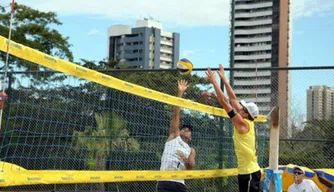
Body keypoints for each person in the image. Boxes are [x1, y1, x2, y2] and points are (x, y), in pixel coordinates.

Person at [206, 64, 261, 192]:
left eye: (242, 108)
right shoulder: (248, 121)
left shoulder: (243, 124)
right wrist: (224, 79)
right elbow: (233, 98)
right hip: (249, 171)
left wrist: (214, 82)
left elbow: (225, 102)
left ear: (246, 114)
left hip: (249, 173)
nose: (240, 108)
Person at [157, 79, 196, 192]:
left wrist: (185, 158)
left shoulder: (191, 150)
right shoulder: (174, 136)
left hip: (180, 183)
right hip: (164, 180)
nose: (185, 130)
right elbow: (175, 115)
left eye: (188, 130)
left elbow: (190, 167)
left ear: (191, 137)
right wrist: (180, 92)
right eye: (183, 128)